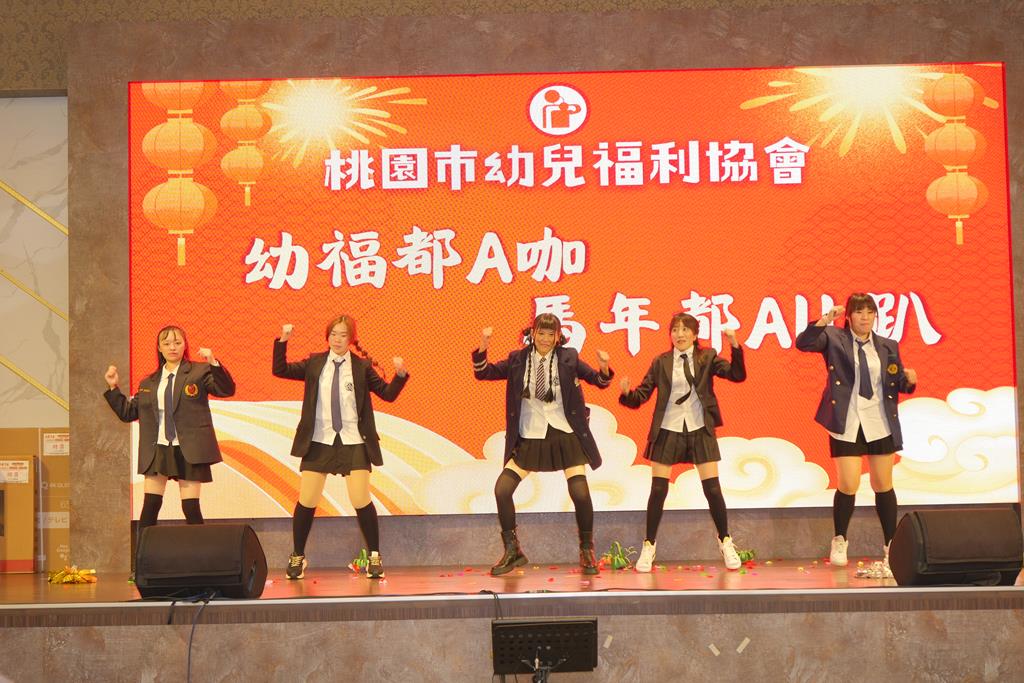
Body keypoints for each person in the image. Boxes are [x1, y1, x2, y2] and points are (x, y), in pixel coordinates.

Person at [472, 313, 613, 576]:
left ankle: (586, 550)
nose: (545, 339)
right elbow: (484, 373)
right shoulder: (518, 359)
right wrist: (483, 346)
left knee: (580, 493)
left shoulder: (569, 358)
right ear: (533, 333)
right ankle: (513, 551)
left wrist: (604, 367)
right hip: (531, 435)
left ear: (558, 337)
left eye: (551, 334)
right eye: (541, 333)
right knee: (502, 489)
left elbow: (599, 380)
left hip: (564, 434)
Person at [273, 316, 408, 580]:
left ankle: (374, 556)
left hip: (353, 440)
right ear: (327, 337)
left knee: (360, 498)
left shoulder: (361, 367)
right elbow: (281, 370)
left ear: (351, 339)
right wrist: (283, 341)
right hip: (320, 440)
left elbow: (388, 394)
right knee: (307, 499)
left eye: (343, 335)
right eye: (333, 334)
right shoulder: (314, 363)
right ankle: (298, 556)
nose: (337, 339)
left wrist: (400, 375)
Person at [795, 294, 917, 574]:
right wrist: (826, 319)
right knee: (848, 483)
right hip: (847, 420)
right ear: (848, 316)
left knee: (883, 484)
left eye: (870, 312)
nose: (865, 317)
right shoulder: (834, 338)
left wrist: (909, 381)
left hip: (879, 421)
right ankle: (840, 539)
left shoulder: (887, 345)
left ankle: (891, 546)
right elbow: (803, 343)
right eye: (859, 312)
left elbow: (895, 381)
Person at [618, 313, 747, 572]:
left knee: (713, 490)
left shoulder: (707, 357)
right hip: (669, 428)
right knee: (658, 490)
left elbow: (737, 375)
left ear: (695, 335)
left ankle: (725, 541)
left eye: (685, 329)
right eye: (675, 329)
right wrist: (627, 393)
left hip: (699, 428)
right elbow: (642, 394)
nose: (680, 334)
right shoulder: (661, 362)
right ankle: (649, 545)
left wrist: (735, 346)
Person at [104, 325, 235, 534]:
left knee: (191, 508)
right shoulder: (149, 382)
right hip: (158, 449)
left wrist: (213, 362)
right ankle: (143, 555)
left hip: (189, 449)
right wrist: (113, 388)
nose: (172, 347)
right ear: (159, 348)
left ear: (185, 345)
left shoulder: (199, 371)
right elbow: (128, 413)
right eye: (166, 343)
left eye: (177, 342)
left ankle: (201, 554)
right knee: (150, 507)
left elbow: (226, 390)